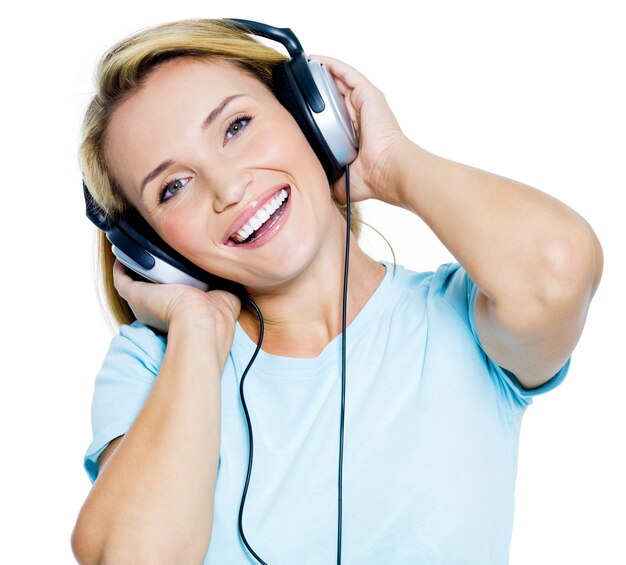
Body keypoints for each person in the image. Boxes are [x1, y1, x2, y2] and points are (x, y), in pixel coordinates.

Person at [71, 18, 603, 565]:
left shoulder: (462, 316)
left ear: (308, 113)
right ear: (151, 247)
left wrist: (392, 165)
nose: (229, 188)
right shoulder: (154, 364)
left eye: (236, 127)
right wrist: (198, 331)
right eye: (173, 187)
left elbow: (560, 269)